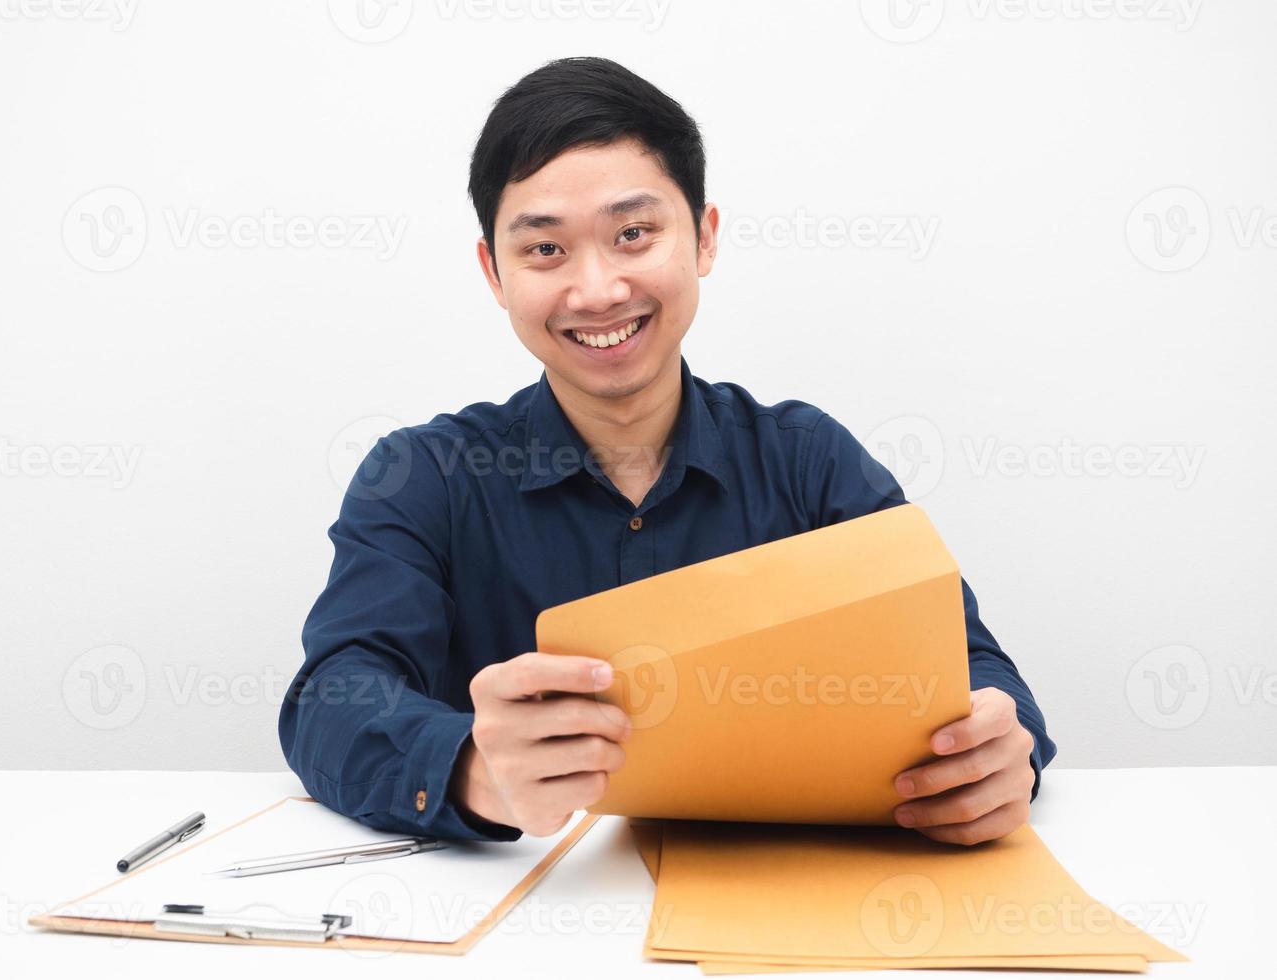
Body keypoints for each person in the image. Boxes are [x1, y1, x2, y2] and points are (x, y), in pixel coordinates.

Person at [278, 56, 1056, 847]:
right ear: (494, 272)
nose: (598, 290)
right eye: (544, 250)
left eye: (633, 234)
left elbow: (970, 666)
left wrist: (1002, 752)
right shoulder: (422, 477)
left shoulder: (809, 460)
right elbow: (331, 700)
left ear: (703, 238)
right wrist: (471, 768)